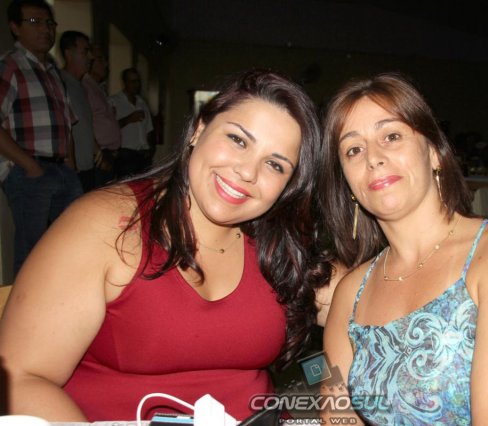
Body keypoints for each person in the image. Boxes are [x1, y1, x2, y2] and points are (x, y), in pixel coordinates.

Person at [0, 70, 333, 422]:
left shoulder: (282, 244)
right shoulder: (105, 226)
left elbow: (362, 296)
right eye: (237, 140)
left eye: (275, 164)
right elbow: (21, 378)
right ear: (199, 129)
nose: (248, 172)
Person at [319, 73, 488, 425]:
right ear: (347, 184)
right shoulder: (351, 293)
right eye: (353, 150)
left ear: (434, 153)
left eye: (391, 136)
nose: (373, 158)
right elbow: (337, 417)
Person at [0, 0, 83, 274]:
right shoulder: (10, 65)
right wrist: (30, 166)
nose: (45, 29)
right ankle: (23, 303)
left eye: (49, 23)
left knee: (72, 245)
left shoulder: (52, 71)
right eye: (35, 22)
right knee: (31, 254)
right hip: (30, 173)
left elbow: (66, 123)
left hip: (62, 171)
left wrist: (70, 165)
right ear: (15, 27)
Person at [59, 30, 94, 192]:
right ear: (69, 54)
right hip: (73, 170)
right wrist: (70, 163)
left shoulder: (79, 86)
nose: (90, 57)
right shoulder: (60, 82)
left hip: (87, 167)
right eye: (85, 51)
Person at [82, 44, 121, 188]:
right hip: (99, 155)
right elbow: (84, 123)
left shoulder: (99, 88)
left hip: (108, 153)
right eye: (100, 59)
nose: (105, 64)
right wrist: (98, 150)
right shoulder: (85, 86)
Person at [109, 67, 155, 178]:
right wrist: (129, 119)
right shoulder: (114, 101)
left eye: (138, 81)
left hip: (143, 155)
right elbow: (109, 129)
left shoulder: (142, 103)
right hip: (126, 155)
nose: (136, 85)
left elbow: (149, 129)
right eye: (132, 81)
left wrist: (151, 150)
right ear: (125, 82)